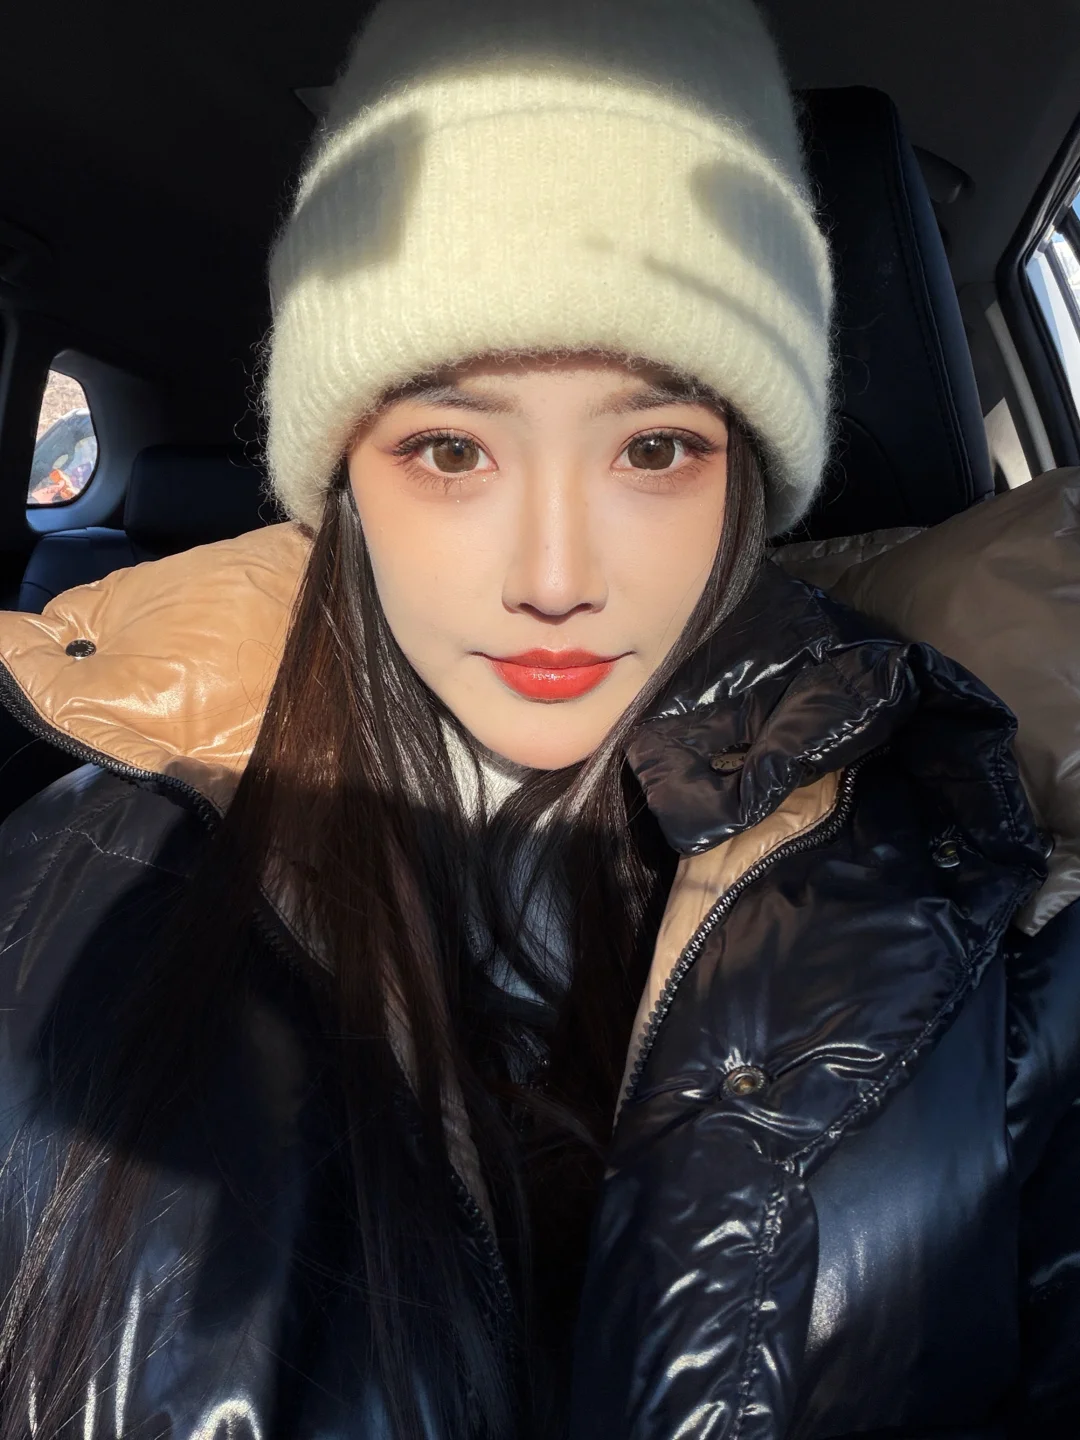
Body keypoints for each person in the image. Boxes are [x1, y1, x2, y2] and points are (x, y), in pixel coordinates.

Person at [0, 0, 1076, 1436]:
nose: (557, 578)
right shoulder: (57, 914)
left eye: (656, 445)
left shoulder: (985, 897)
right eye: (452, 449)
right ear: (342, 482)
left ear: (746, 483)